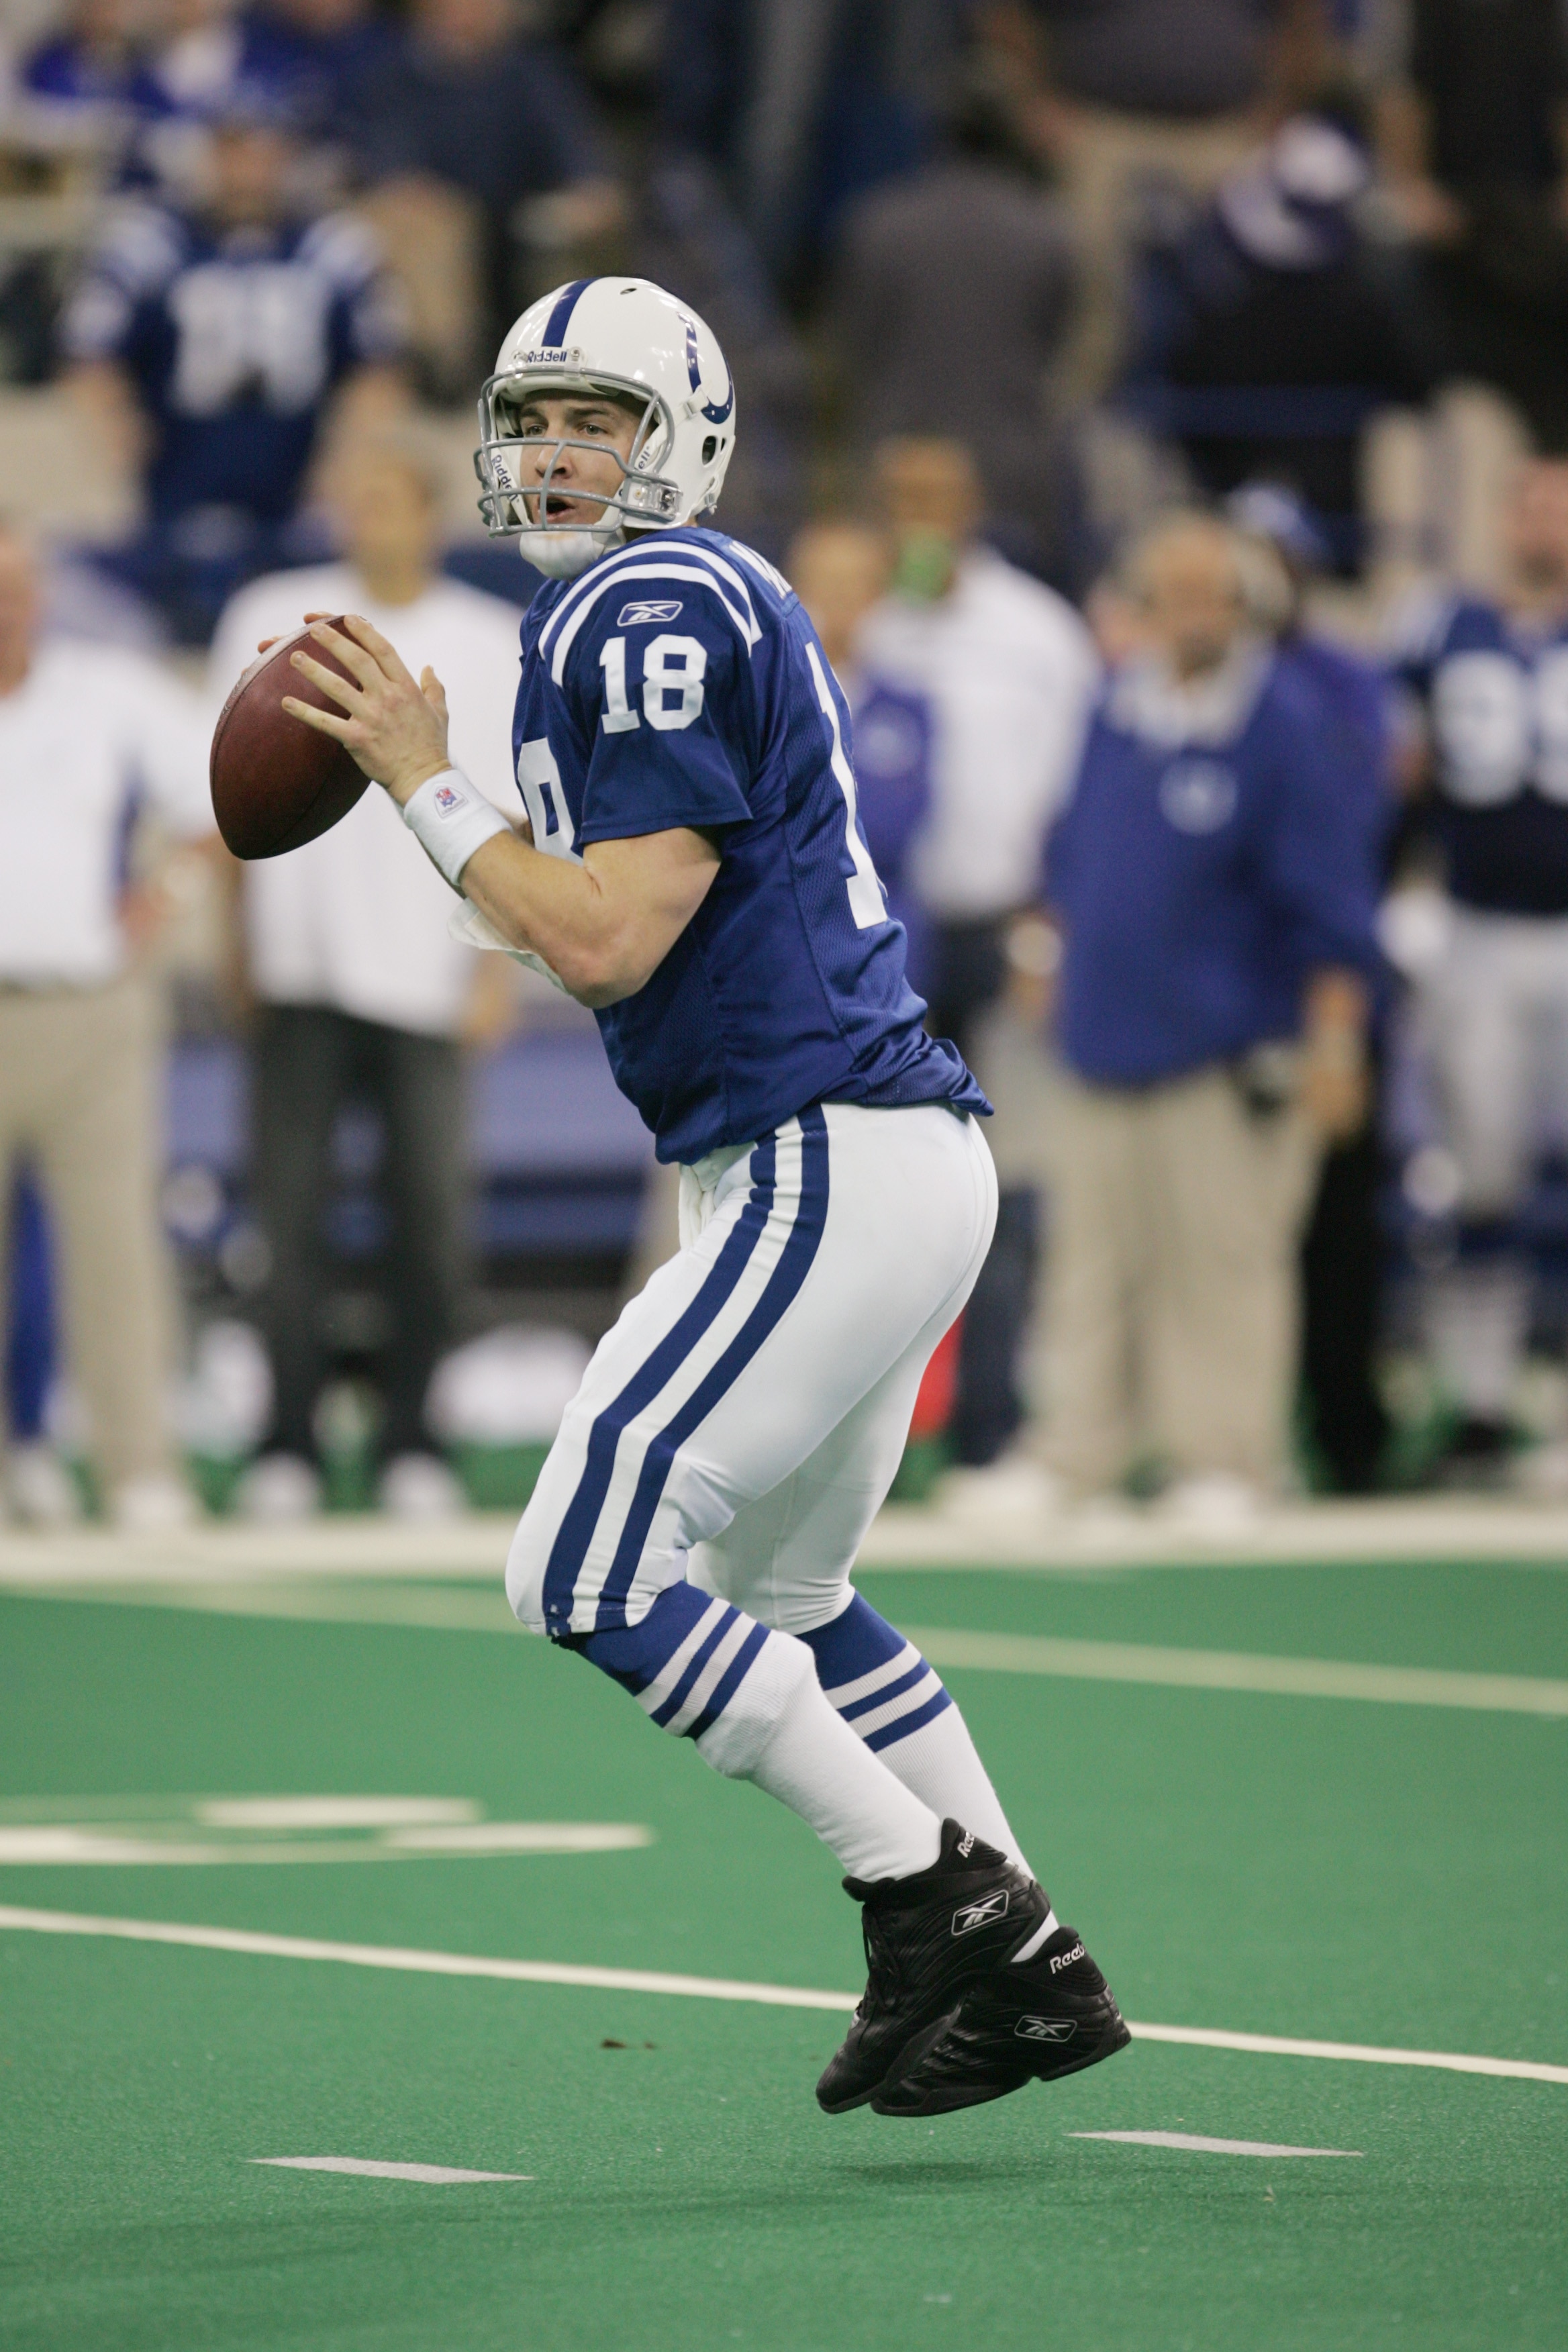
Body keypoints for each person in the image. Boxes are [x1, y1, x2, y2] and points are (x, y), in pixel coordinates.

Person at [273, 275, 1128, 2116]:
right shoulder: (643, 607)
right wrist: (454, 812)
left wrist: (423, 785)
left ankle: (928, 1892)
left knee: (578, 1564)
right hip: (855, 1152)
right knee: (783, 1587)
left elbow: (605, 938)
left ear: (689, 440)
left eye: (599, 420)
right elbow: (587, 924)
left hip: (821, 1150)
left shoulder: (652, 600)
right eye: (533, 420)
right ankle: (1034, 1968)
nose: (556, 453)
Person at [1034, 512, 1379, 1520]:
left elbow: (1333, 904)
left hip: (1226, 1050)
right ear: (1142, 607)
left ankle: (1225, 1460)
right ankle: (1074, 1456)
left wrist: (1335, 1042)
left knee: (1222, 1268)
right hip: (1101, 1039)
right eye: (1171, 595)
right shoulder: (1116, 708)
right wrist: (1045, 960)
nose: (1191, 616)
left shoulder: (1285, 724)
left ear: (1246, 605)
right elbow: (1072, 857)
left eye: (1211, 595)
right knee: (1088, 1267)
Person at [209, 432, 524, 1522]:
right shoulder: (276, 615)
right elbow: (228, 803)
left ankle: (412, 1441)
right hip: (298, 969)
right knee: (287, 1222)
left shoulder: (483, 639)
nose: (366, 517)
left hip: (434, 968)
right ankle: (287, 1442)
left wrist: (500, 969)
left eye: (386, 498)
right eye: (353, 497)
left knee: (430, 1225)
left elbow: (509, 815)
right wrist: (237, 943)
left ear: (429, 513)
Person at [0, 520, 211, 1530]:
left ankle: (138, 1468)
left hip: (90, 1010)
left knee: (117, 1249)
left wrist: (160, 896)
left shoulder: (106, 692)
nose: (7, 607)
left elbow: (220, 790)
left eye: (18, 585)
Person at [62, 86, 405, 645]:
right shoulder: (152, 239)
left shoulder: (332, 243)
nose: (249, 169)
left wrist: (344, 463)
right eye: (234, 151)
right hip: (177, 479)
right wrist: (120, 436)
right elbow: (91, 356)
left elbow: (378, 368)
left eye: (264, 151)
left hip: (293, 482)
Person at [1391, 458, 1568, 1483]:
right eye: (1530, 502)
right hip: (1478, 929)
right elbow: (1401, 767)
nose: (1544, 522)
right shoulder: (1440, 626)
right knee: (1483, 1177)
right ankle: (1484, 1405)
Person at [1227, 481, 1398, 1491]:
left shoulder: (1331, 684)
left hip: (1318, 978)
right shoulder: (1196, 679)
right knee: (1241, 1233)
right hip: (1235, 995)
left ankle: (1345, 1432)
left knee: (1335, 1225)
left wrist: (1340, 1016)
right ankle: (1244, 1435)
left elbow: (1351, 835)